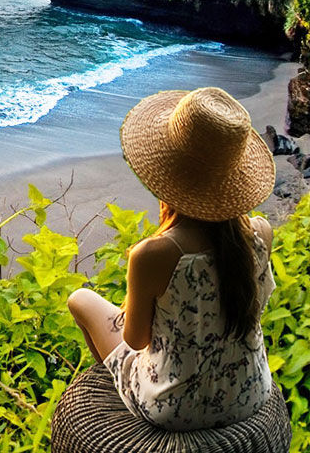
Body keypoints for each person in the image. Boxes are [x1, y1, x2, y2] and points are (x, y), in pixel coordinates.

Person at [67, 87, 276, 432]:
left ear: (164, 172)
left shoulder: (156, 254)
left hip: (173, 408)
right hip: (250, 392)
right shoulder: (259, 233)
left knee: (80, 300)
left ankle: (121, 395)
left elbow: (135, 340)